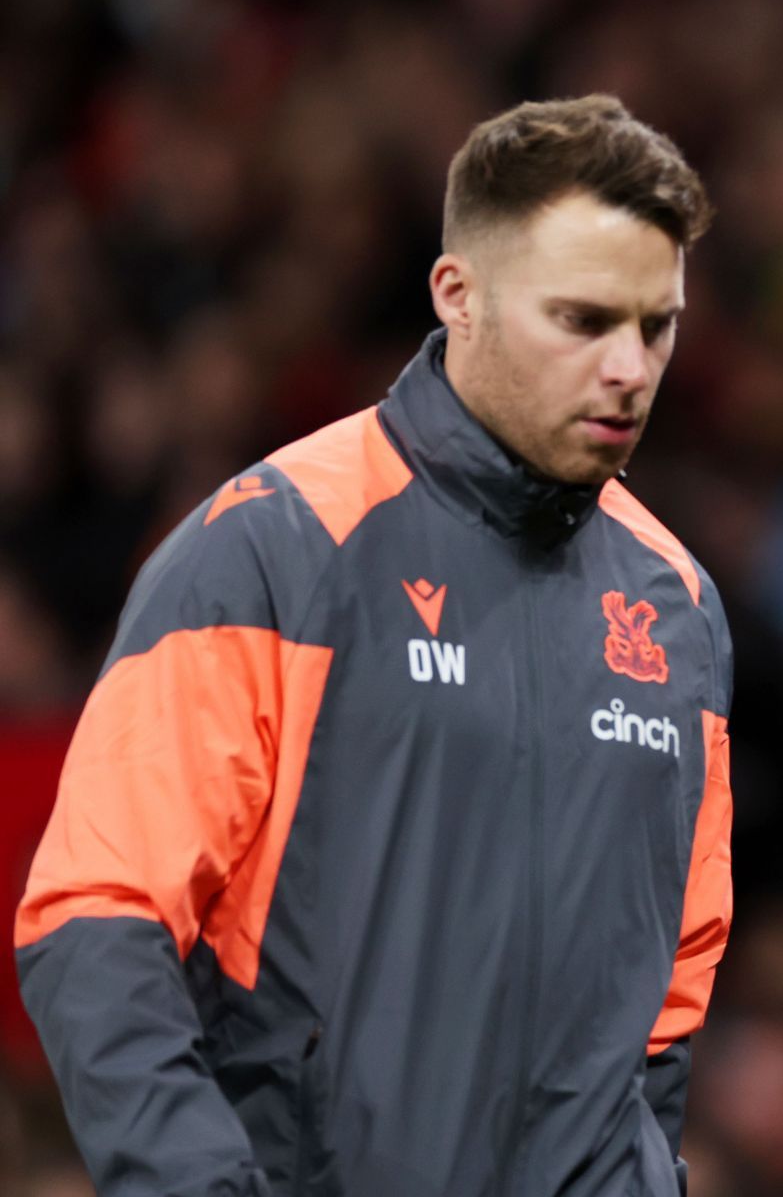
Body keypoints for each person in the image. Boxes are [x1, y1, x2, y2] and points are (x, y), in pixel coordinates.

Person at [15, 95, 734, 1196]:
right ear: (458, 294)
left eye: (657, 323)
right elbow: (96, 916)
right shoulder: (273, 547)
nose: (631, 367)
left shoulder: (676, 604)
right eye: (584, 320)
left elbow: (669, 999)